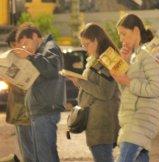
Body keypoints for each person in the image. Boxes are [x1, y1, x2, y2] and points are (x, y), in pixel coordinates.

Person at [112, 14, 159, 162]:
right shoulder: (136, 56)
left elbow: (157, 88)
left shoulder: (147, 55)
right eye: (119, 35)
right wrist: (124, 67)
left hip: (141, 120)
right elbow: (127, 91)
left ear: (135, 30)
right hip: (132, 119)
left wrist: (127, 81)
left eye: (123, 34)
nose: (121, 39)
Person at [67, 23, 120, 162]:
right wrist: (79, 81)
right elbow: (94, 88)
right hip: (95, 121)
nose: (84, 48)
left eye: (87, 44)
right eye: (82, 45)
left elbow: (105, 93)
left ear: (96, 40)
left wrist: (80, 82)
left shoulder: (108, 59)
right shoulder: (96, 59)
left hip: (102, 123)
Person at [14, 26, 66, 162]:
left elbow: (52, 69)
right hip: (39, 110)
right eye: (22, 45)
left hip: (46, 110)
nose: (25, 47)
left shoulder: (50, 47)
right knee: (41, 155)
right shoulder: (40, 52)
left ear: (36, 37)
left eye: (26, 43)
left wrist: (30, 56)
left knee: (45, 155)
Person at [6, 27, 34, 162]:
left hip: (24, 113)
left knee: (29, 151)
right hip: (19, 112)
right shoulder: (16, 59)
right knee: (26, 149)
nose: (13, 48)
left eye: (14, 44)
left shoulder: (25, 60)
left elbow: (25, 85)